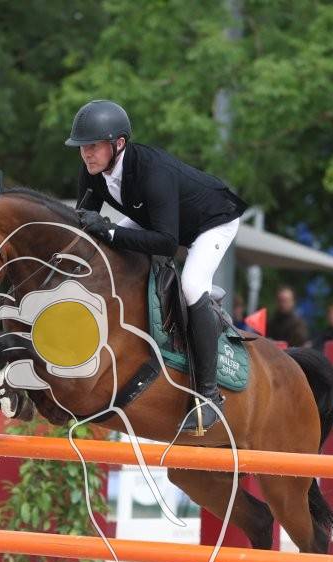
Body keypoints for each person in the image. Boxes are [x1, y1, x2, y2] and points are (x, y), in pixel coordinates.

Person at [69, 99, 248, 432]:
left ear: (118, 144)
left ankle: (209, 398)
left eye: (92, 146)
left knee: (191, 285)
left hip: (212, 221)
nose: (86, 154)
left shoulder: (153, 172)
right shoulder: (93, 172)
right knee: (105, 246)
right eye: (82, 147)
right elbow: (83, 224)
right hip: (160, 220)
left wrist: (110, 230)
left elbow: (166, 243)